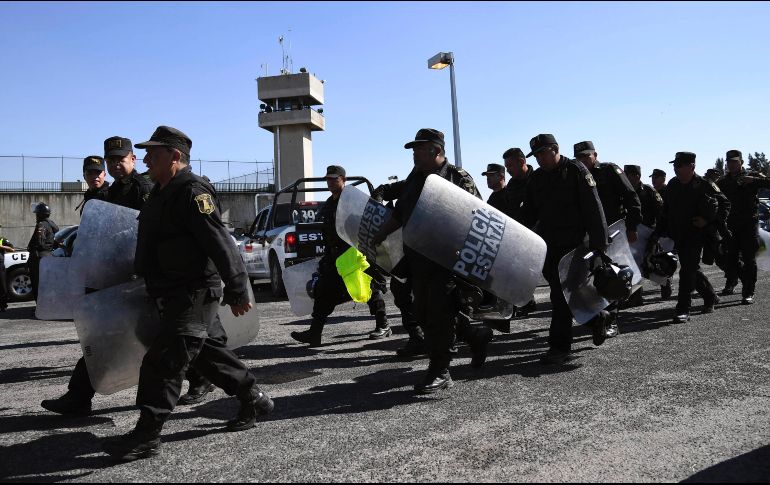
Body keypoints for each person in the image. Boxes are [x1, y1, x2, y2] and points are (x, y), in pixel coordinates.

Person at [102, 126, 272, 461]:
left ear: (175, 156)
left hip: (194, 290)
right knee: (207, 354)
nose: (147, 159)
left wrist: (237, 288)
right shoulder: (161, 192)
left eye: (154, 153)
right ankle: (253, 398)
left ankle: (147, 435)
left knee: (165, 360)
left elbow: (220, 242)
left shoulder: (192, 191)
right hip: (170, 289)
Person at [372, 128, 493, 393]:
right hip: (417, 258)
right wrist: (379, 235)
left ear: (436, 151)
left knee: (439, 313)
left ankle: (441, 371)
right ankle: (474, 335)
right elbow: (401, 213)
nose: (414, 154)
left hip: (447, 261)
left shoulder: (457, 178)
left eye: (419, 149)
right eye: (413, 149)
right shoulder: (415, 178)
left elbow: (478, 219)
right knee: (422, 312)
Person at [520, 134, 609, 365]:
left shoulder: (576, 171)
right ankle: (596, 319)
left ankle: (560, 348)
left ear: (555, 149)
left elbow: (593, 207)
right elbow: (528, 213)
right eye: (536, 155)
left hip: (575, 245)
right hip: (549, 246)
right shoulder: (537, 178)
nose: (539, 158)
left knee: (559, 297)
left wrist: (600, 246)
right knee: (569, 295)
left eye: (542, 153)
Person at [290, 165, 392, 347]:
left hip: (355, 253)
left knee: (367, 287)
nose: (330, 182)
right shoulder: (329, 204)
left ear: (343, 180)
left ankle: (383, 324)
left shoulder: (352, 200)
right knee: (323, 291)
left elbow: (365, 223)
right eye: (328, 179)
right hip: (336, 256)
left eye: (334, 179)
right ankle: (315, 333)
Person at [574, 141, 642, 337]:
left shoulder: (609, 170)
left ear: (595, 154)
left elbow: (631, 197)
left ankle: (611, 321)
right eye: (579, 157)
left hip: (612, 232)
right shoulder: (575, 174)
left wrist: (631, 226)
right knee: (589, 278)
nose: (583, 160)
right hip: (588, 234)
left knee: (610, 276)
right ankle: (597, 316)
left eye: (586, 156)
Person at [650, 152, 727, 324]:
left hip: (697, 234)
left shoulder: (705, 184)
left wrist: (707, 220)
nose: (675, 168)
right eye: (674, 165)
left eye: (679, 165)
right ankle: (709, 296)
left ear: (691, 166)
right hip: (679, 233)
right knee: (691, 268)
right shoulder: (673, 185)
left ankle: (683, 309)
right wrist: (658, 233)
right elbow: (666, 211)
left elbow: (724, 204)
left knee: (686, 271)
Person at [372, 178, 427, 358]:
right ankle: (417, 337)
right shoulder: (411, 182)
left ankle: (468, 335)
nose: (416, 157)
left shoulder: (447, 178)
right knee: (400, 290)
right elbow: (383, 190)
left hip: (434, 251)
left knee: (437, 298)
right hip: (406, 249)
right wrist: (378, 205)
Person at [717, 149, 770, 304]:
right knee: (730, 259)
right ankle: (738, 281)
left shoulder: (751, 176)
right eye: (729, 162)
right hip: (731, 225)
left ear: (741, 162)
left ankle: (748, 291)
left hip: (748, 223)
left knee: (749, 258)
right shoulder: (723, 181)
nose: (732, 165)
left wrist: (754, 181)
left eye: (735, 162)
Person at [501, 147, 537, 316]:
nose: (507, 170)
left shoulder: (538, 179)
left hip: (543, 234)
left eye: (510, 166)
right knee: (520, 271)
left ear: (522, 162)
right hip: (521, 237)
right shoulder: (512, 186)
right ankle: (527, 302)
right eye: (506, 167)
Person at [623, 164, 664, 306]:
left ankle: (665, 282)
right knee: (633, 264)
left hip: (648, 232)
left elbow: (661, 213)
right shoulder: (623, 191)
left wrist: (657, 235)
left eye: (628, 175)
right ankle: (636, 296)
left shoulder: (648, 191)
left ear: (636, 176)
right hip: (631, 232)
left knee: (649, 264)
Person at [104, 136, 153, 210]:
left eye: (121, 159)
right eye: (110, 160)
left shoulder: (142, 187)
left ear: (133, 159)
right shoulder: (112, 189)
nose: (115, 164)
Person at [27, 203, 59, 301]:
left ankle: (40, 307)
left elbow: (39, 242)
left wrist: (31, 255)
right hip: (49, 256)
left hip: (39, 258)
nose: (36, 216)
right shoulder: (52, 225)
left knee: (37, 283)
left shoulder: (41, 225)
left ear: (40, 214)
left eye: (37, 214)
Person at [649, 168, 672, 299]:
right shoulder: (652, 191)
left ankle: (666, 285)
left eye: (656, 177)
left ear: (663, 178)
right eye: (652, 177)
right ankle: (665, 284)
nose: (653, 179)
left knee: (665, 259)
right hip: (656, 231)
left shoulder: (668, 191)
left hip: (667, 232)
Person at [0, 227, 14, 311]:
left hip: (0, 264)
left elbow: (12, 249)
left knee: (2, 285)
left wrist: (1, 246)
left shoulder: (2, 239)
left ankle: (2, 305)